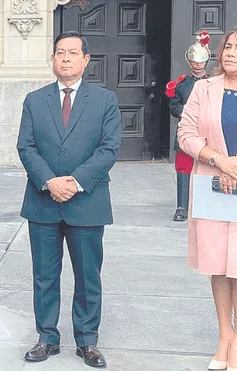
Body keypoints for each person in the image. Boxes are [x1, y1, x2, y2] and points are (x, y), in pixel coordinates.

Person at [17, 30, 122, 368]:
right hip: (43, 201)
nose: (65, 58)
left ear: (85, 60)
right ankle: (47, 336)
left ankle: (87, 340)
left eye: (72, 53)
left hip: (87, 202)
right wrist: (49, 181)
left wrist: (74, 183)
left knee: (88, 275)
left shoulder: (104, 100)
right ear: (52, 59)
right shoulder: (35, 99)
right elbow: (26, 146)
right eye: (59, 52)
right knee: (45, 275)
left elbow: (109, 149)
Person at [178, 26, 237, 371]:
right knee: (218, 264)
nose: (230, 52)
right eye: (228, 46)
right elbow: (185, 133)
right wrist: (220, 161)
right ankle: (224, 336)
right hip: (214, 187)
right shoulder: (204, 88)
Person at [166, 31, 211, 222]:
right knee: (184, 170)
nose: (198, 65)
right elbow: (174, 106)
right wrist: (188, 111)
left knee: (208, 169)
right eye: (195, 61)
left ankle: (206, 205)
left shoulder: (212, 82)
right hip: (186, 132)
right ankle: (182, 207)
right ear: (189, 61)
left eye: (201, 61)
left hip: (208, 132)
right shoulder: (182, 84)